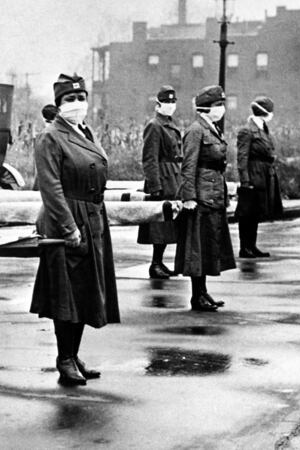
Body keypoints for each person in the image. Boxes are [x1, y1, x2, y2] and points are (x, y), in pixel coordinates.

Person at [31, 73, 119, 386]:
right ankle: (63, 358)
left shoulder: (84, 132)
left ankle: (74, 354)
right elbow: (50, 186)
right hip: (66, 219)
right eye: (70, 100)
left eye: (81, 98)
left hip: (91, 216)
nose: (78, 104)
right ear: (58, 104)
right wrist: (69, 227)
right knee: (65, 296)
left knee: (84, 291)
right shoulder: (50, 137)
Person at [174, 85, 236, 312]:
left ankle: (202, 292)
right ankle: (196, 296)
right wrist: (189, 197)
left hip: (213, 195)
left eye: (221, 104)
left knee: (208, 247)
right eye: (218, 105)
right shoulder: (196, 130)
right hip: (200, 197)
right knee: (197, 249)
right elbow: (188, 166)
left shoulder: (211, 129)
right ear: (206, 108)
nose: (221, 109)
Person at [139, 85, 182, 279]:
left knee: (167, 225)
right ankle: (155, 264)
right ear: (158, 104)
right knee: (159, 226)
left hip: (173, 177)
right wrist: (155, 185)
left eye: (173, 102)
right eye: (166, 102)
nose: (170, 105)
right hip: (162, 179)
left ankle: (160, 262)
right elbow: (150, 158)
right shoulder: (154, 125)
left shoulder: (169, 124)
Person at [235, 96, 283, 258]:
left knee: (255, 212)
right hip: (253, 173)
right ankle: (245, 247)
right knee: (247, 213)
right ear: (264, 112)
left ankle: (252, 245)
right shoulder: (247, 131)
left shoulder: (263, 128)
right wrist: (245, 180)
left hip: (264, 174)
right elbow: (242, 158)